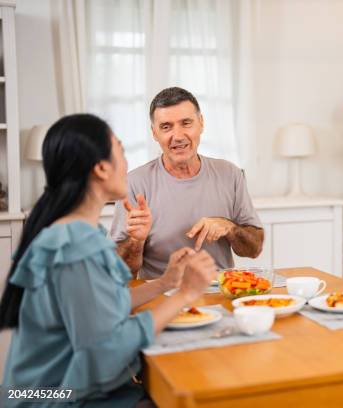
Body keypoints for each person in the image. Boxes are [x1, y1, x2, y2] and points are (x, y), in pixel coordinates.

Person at [0, 114, 217, 406]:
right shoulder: (75, 244)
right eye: (121, 151)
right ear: (102, 168)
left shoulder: (75, 231)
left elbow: (104, 307)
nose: (127, 164)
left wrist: (165, 282)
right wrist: (185, 294)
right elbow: (105, 352)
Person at [111, 87, 263, 279]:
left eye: (186, 123)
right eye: (166, 127)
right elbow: (119, 270)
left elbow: (254, 249)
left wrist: (230, 228)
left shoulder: (230, 174)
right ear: (154, 133)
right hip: (161, 294)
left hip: (219, 292)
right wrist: (135, 240)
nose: (178, 135)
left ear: (201, 123)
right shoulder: (134, 183)